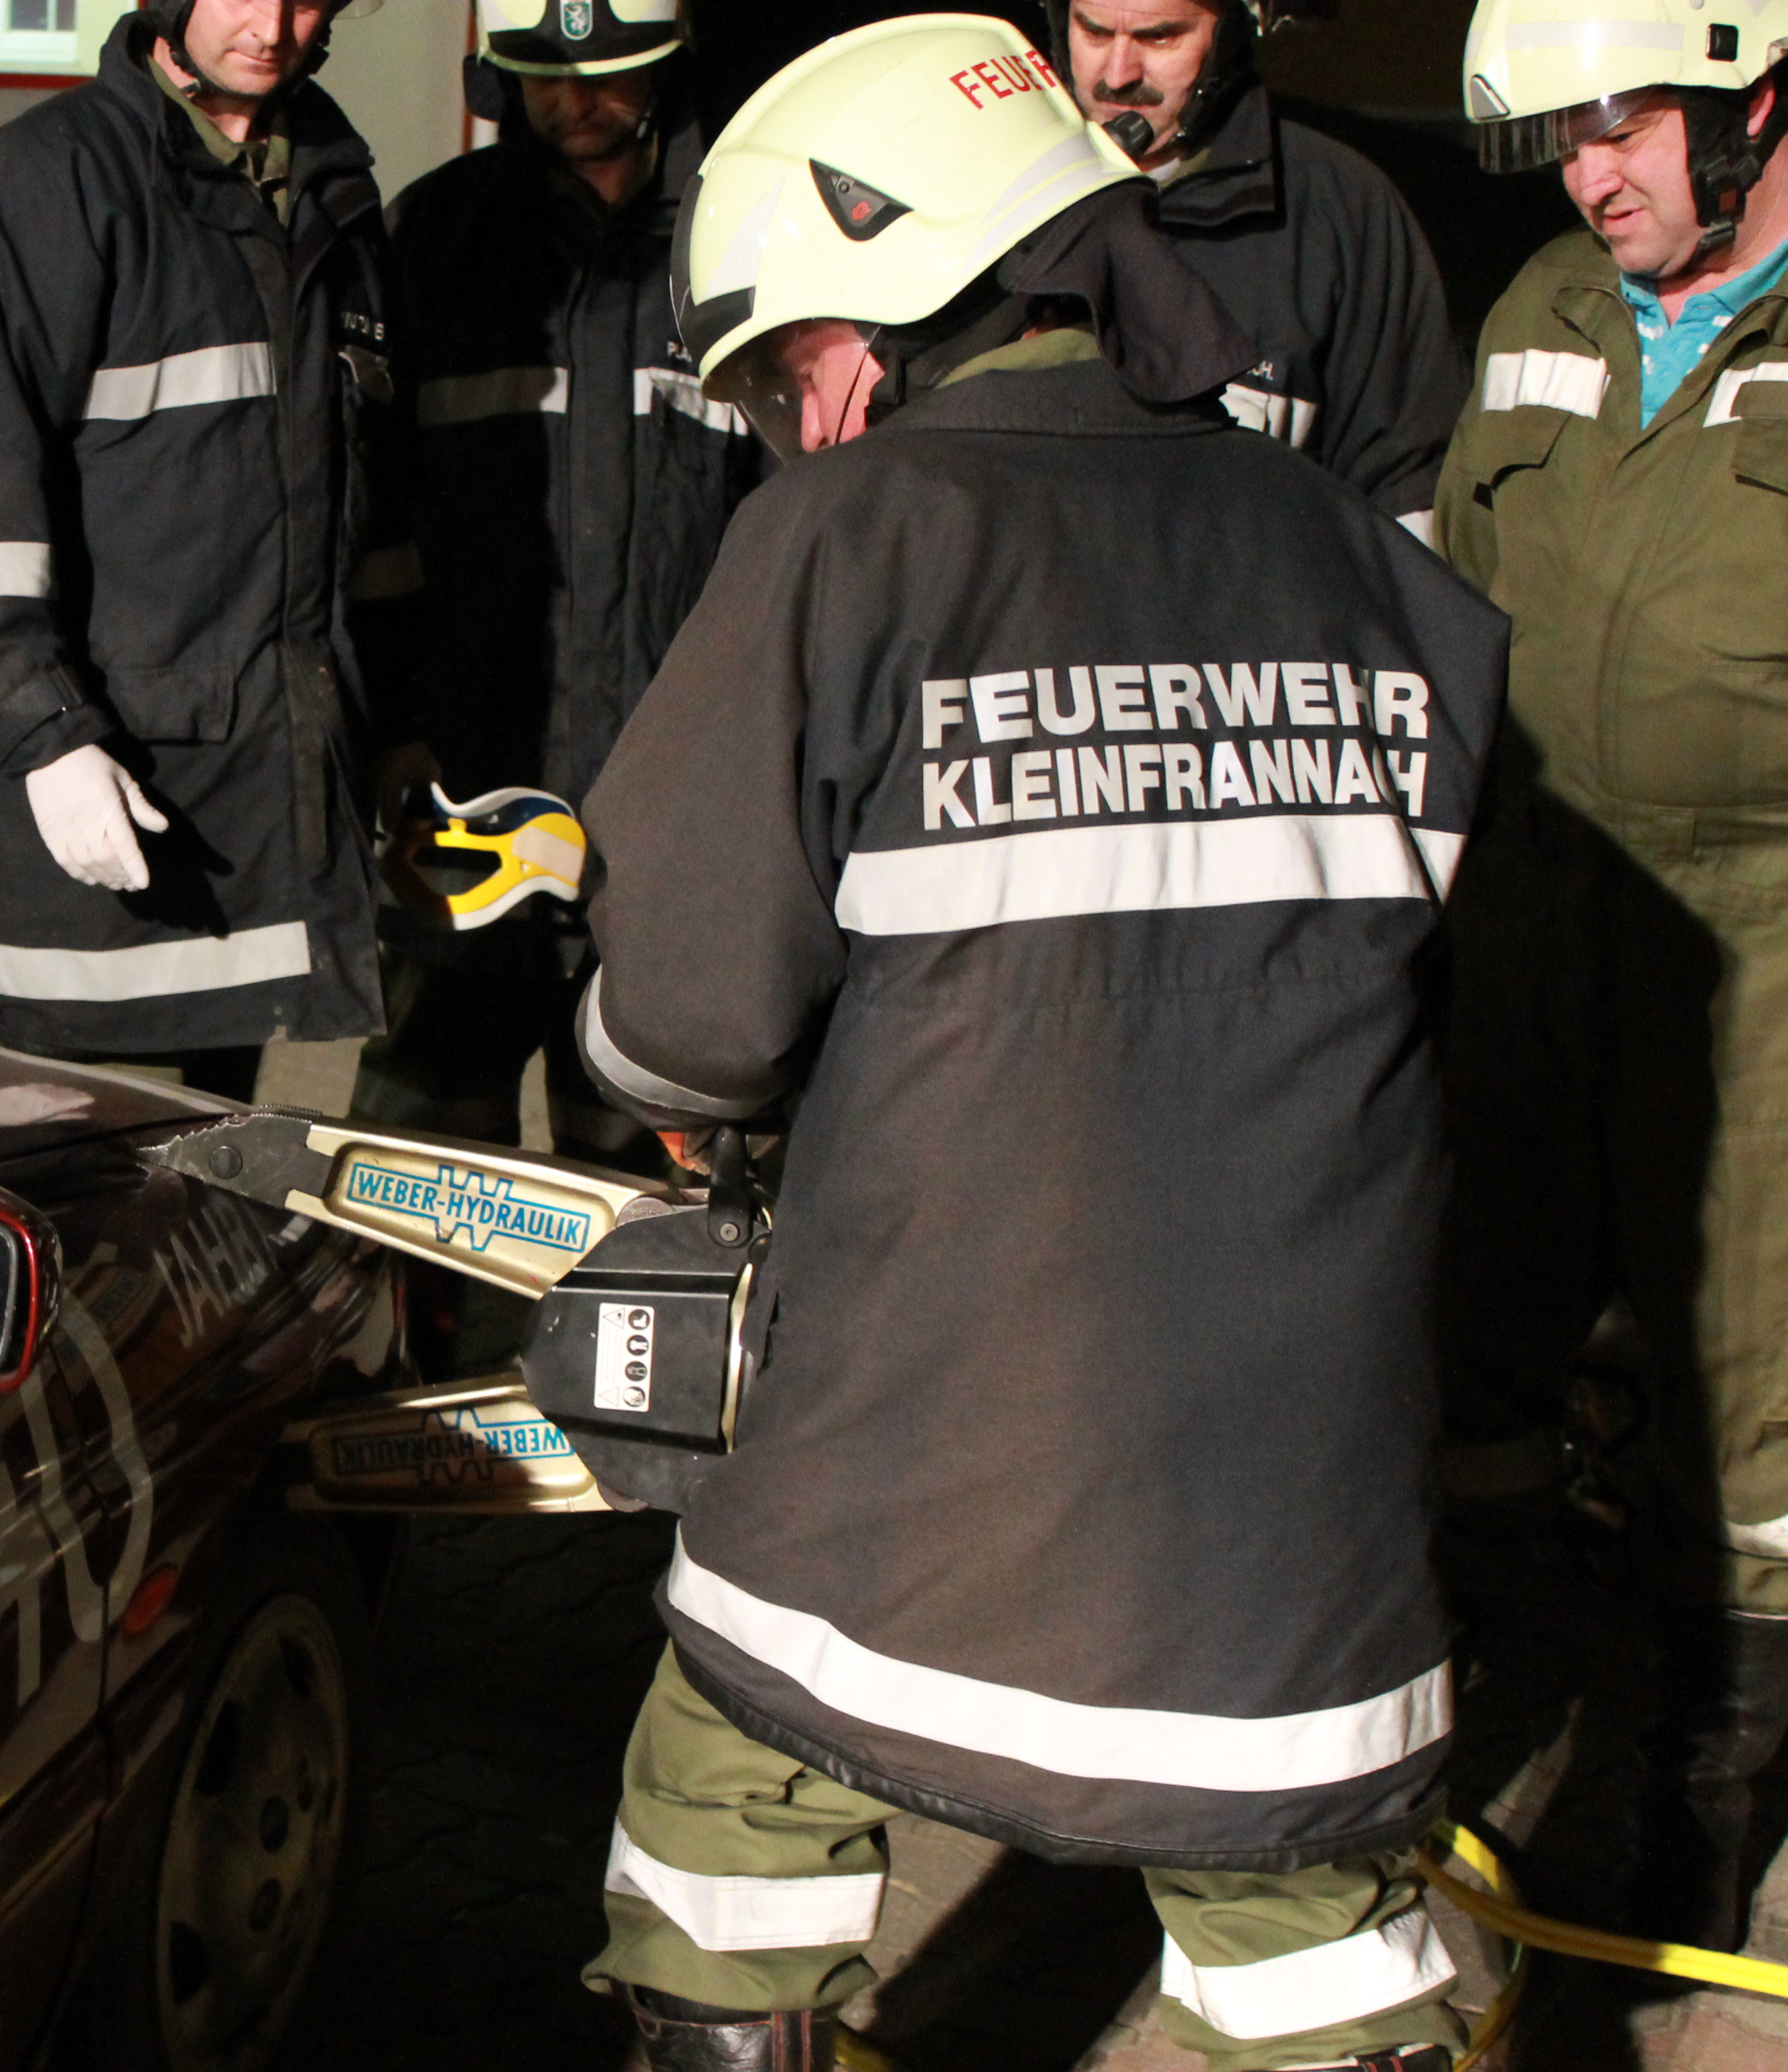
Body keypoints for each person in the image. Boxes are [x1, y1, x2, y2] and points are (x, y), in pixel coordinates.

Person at [570, 17, 1509, 2068]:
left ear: (885, 296)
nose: (790, 422)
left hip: (933, 1422)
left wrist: (652, 1078)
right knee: (1304, 1906)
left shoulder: (849, 540)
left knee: (726, 1807)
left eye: (783, 367)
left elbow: (691, 1023)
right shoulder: (1348, 549)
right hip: (1302, 1493)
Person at [1434, 0, 1788, 1951]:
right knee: (1472, 1329)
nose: (1586, 176)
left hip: (1759, 953)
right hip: (1520, 915)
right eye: (1558, 138)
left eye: (1622, 126)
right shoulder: (1543, 306)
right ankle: (1480, 1714)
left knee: (1748, 1400)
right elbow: (1454, 594)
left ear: (1750, 98)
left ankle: (1698, 1821)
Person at [0, 0, 417, 1101]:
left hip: (258, 808)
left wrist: (398, 729)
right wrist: (44, 737)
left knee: (215, 1165)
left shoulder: (332, 186)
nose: (272, 26)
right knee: (83, 1169)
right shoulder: (40, 182)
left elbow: (361, 504)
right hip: (110, 782)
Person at [348, 0, 763, 1187]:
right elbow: (373, 515)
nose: (575, 103)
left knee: (640, 1190)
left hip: (663, 823)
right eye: (545, 79)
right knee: (418, 1175)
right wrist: (395, 729)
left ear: (667, 65)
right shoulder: (437, 238)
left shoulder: (737, 241)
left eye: (608, 77)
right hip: (463, 804)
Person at [1045, 0, 1464, 533]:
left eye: (1159, 38)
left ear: (1231, 35)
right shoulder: (987, 191)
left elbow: (1406, 493)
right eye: (1095, 32)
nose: (1118, 74)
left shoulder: (1338, 213)